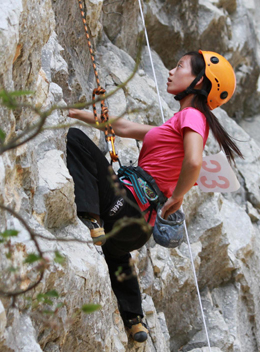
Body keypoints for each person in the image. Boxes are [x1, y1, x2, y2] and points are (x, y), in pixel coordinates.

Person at [66, 50, 243, 342]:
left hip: (126, 203)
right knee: (117, 253)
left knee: (75, 139)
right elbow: (121, 127)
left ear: (199, 81)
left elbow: (195, 161)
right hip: (139, 228)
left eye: (180, 66)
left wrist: (179, 196)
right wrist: (75, 112)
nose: (171, 72)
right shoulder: (172, 128)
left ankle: (91, 217)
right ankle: (134, 319)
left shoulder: (193, 116)